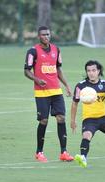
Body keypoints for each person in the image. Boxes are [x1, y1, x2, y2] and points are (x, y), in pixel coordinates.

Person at [24, 26, 74, 162]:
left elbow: (58, 69)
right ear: (38, 36)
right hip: (41, 93)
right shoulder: (32, 51)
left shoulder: (56, 50)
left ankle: (64, 152)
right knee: (44, 120)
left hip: (56, 91)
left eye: (48, 34)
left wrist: (67, 86)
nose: (46, 36)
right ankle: (39, 152)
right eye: (43, 35)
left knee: (61, 118)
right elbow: (26, 71)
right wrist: (37, 79)